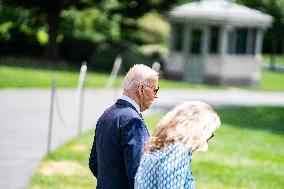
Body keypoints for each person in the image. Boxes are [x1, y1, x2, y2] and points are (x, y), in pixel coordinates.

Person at [89, 64, 159, 189]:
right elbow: (138, 173)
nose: (155, 96)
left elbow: (94, 163)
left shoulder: (107, 114)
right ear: (142, 89)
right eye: (155, 90)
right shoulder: (133, 120)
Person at [134, 101, 221, 189]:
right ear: (199, 130)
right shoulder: (177, 152)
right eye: (210, 133)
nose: (207, 139)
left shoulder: (163, 145)